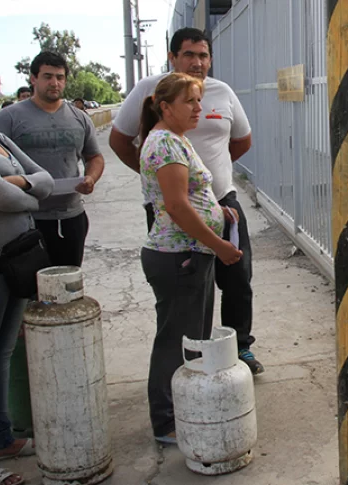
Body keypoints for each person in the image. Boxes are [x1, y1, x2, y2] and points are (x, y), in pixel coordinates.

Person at [110, 28, 263, 374]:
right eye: (189, 54)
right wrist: (159, 180)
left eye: (203, 55)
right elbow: (119, 140)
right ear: (172, 58)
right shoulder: (150, 90)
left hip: (223, 201)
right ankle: (185, 361)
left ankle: (240, 347)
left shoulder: (221, 92)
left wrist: (207, 185)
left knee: (237, 279)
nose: (197, 62)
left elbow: (242, 140)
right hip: (171, 212)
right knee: (187, 288)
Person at [138, 72, 242, 443]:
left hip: (190, 254)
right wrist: (218, 243)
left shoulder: (176, 138)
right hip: (178, 255)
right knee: (176, 341)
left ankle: (184, 410)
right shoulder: (165, 143)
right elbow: (177, 206)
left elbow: (193, 195)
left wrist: (218, 209)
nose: (199, 108)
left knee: (192, 338)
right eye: (189, 102)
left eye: (199, 100)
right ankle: (166, 421)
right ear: (165, 107)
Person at [0, 58, 54, 485]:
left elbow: (45, 177)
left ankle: (0, 438)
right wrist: (25, 190)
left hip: (15, 264)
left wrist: (20, 186)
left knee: (2, 356)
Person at [0, 51, 104, 267]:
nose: (55, 83)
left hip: (72, 217)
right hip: (28, 219)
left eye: (60, 77)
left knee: (68, 283)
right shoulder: (8, 118)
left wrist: (91, 178)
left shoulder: (79, 117)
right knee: (32, 288)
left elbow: (94, 156)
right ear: (33, 79)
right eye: (48, 76)